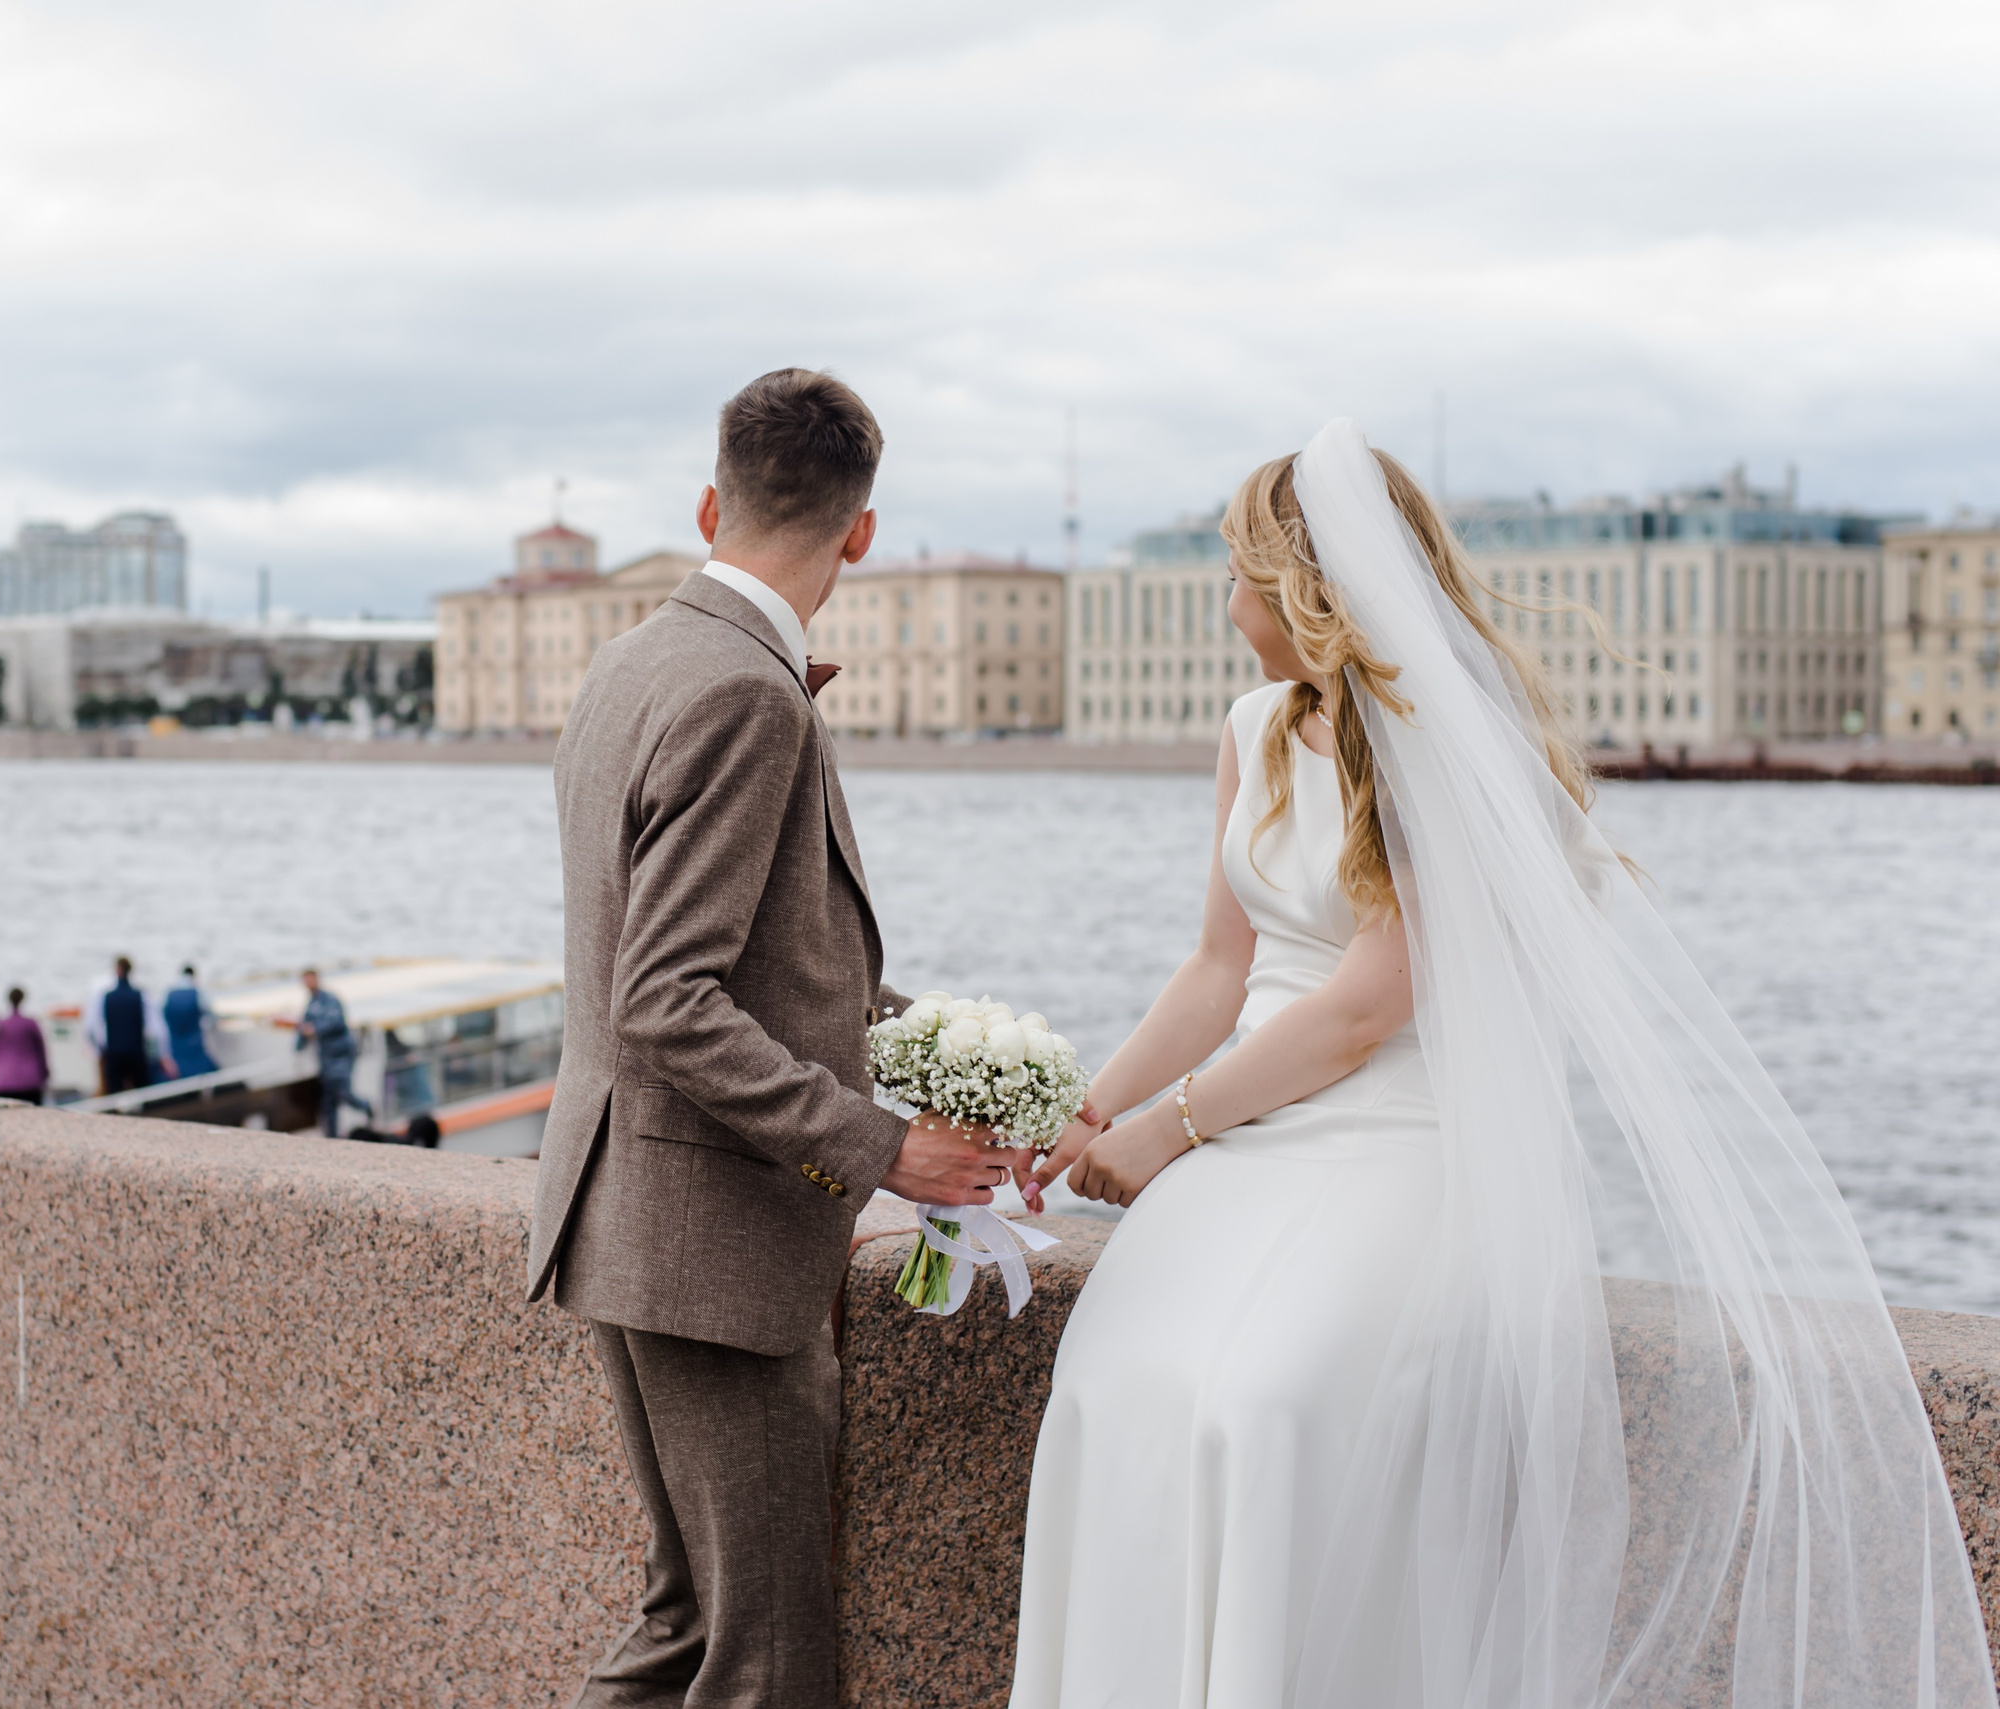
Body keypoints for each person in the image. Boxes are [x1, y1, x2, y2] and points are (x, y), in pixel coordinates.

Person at [1012, 421, 1994, 1707]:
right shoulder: (1252, 725)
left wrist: (1168, 1127)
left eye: (1238, 574)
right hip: (1254, 1130)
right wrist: (1085, 1106)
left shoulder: (1438, 738)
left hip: (1395, 1142)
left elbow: (1371, 1002)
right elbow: (1216, 966)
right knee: (1119, 1373)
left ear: (1300, 586)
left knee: (1262, 1398)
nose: (1225, 604)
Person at [530, 369, 1024, 1709]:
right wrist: (884, 1151)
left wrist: (971, 1060)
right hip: (715, 1253)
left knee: (687, 1628)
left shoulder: (633, 659)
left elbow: (778, 970)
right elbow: (670, 1000)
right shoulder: (750, 695)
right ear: (860, 532)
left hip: (621, 1215)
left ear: (711, 501)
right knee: (766, 1664)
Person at [294, 968, 374, 1137]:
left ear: (316, 979)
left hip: (341, 1054)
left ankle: (367, 1107)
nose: (308, 983)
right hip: (326, 1057)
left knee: (343, 1093)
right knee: (328, 1099)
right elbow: (304, 1027)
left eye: (310, 979)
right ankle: (332, 1137)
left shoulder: (330, 1000)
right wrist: (298, 1046)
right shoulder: (311, 1004)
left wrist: (315, 1029)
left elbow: (336, 1021)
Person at [83, 956, 160, 1096]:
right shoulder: (140, 995)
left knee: (113, 1095)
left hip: (114, 1053)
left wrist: (99, 1051)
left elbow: (93, 1027)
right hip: (136, 1052)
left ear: (117, 970)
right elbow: (153, 1029)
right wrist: (155, 1053)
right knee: (141, 1094)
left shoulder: (106, 996)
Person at [0, 985, 51, 1104]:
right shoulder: (30, 1024)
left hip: (2, 1080)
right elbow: (41, 1051)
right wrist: (45, 1074)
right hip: (29, 1080)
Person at [162, 964, 218, 1079]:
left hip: (175, 1045)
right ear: (194, 976)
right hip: (193, 1044)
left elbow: (162, 1017)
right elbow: (210, 1014)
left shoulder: (169, 993)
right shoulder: (197, 992)